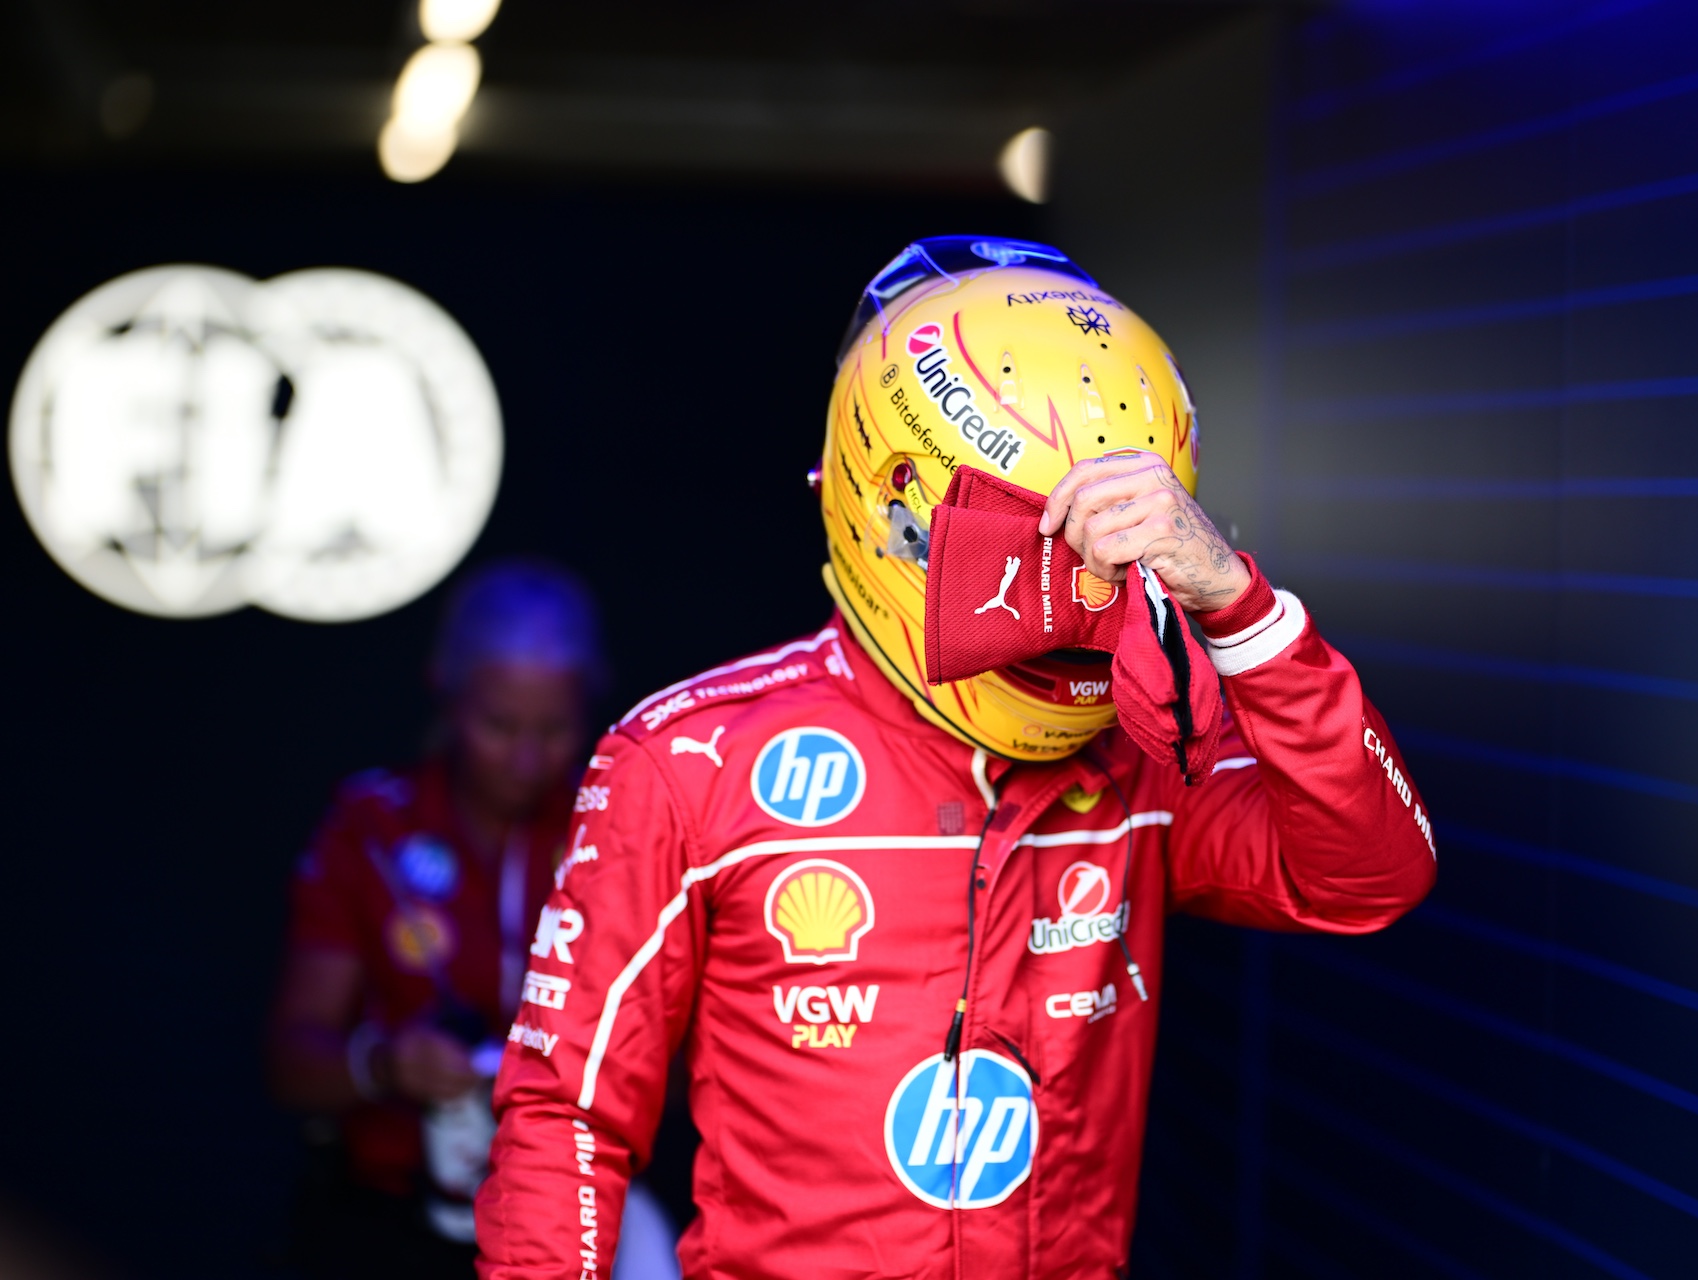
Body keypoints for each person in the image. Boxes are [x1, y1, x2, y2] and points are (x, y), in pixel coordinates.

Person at [476, 237, 1438, 1278]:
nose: (1069, 599)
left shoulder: (1145, 747)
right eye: (1029, 549)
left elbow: (1372, 870)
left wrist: (1236, 606)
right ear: (893, 514)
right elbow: (565, 1111)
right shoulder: (688, 756)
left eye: (1109, 554)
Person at [270, 559, 681, 1280]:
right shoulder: (373, 829)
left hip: (571, 1218)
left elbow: (686, 1055)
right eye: (499, 725)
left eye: (554, 729)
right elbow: (292, 1060)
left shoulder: (618, 830)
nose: (526, 758)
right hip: (388, 1218)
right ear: (447, 693)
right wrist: (387, 1062)